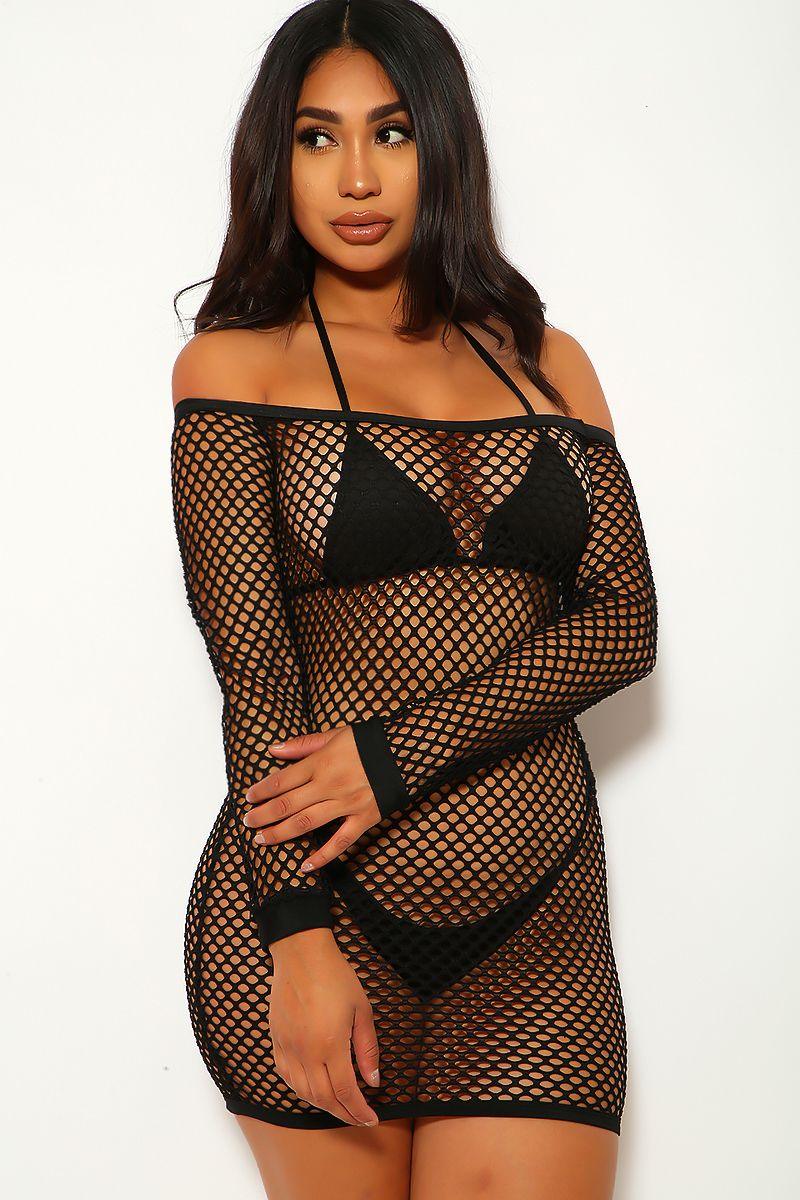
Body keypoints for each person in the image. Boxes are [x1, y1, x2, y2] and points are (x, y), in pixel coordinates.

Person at [169, 2, 658, 1196]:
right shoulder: (238, 365)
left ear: (440, 144)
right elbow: (256, 677)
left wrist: (392, 756)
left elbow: (622, 623)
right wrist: (294, 940)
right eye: (316, 137)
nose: (356, 176)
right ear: (274, 158)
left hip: (540, 937)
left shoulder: (544, 358)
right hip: (320, 917)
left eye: (389, 132)